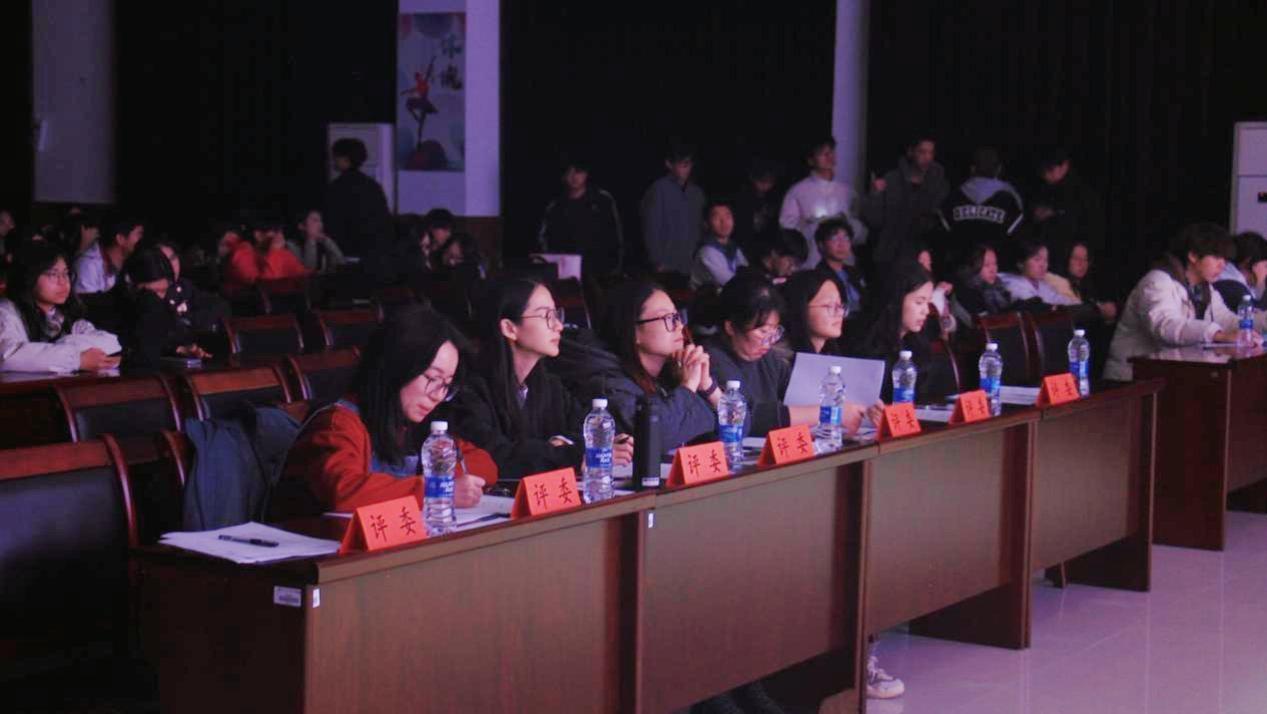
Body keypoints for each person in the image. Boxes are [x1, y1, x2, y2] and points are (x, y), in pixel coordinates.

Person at [274, 306, 494, 518]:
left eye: (446, 384)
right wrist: (437, 489)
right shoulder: (338, 423)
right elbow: (343, 492)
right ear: (396, 367)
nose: (437, 395)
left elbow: (484, 464)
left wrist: (448, 481)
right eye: (433, 379)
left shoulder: (413, 424)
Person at [451, 278, 634, 483]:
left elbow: (591, 428)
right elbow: (496, 457)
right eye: (546, 316)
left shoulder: (548, 385)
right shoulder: (471, 390)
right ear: (509, 328)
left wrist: (560, 444)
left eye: (556, 315)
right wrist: (567, 454)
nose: (559, 326)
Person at [554, 282, 717, 454]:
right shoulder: (607, 382)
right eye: (666, 318)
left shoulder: (669, 373)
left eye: (677, 317)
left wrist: (707, 386)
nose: (679, 326)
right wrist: (688, 387)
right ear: (634, 332)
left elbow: (724, 433)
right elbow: (655, 438)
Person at [705, 275, 874, 438]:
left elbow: (801, 394)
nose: (769, 341)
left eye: (775, 331)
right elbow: (747, 417)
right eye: (762, 331)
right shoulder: (712, 360)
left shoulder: (768, 358)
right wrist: (828, 412)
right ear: (730, 327)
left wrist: (860, 405)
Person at [1106, 223, 1265, 381]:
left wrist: (1257, 325)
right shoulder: (1157, 281)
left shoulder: (1206, 288)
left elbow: (1227, 320)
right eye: (1216, 257)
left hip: (1163, 376)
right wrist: (1217, 334)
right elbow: (1166, 326)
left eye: (1225, 259)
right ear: (1193, 255)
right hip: (1129, 378)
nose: (1222, 265)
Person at [0, 241, 120, 373]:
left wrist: (62, 347)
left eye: (65, 273)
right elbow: (8, 356)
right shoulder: (5, 313)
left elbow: (111, 343)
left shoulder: (62, 316)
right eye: (53, 274)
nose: (63, 282)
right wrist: (77, 359)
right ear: (29, 277)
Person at [849, 261, 955, 404]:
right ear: (895, 301)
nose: (926, 311)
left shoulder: (917, 342)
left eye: (928, 302)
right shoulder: (864, 345)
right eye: (919, 302)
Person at [860, 133, 950, 273]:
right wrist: (874, 195)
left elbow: (941, 222)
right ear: (910, 152)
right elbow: (875, 220)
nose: (927, 157)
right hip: (891, 256)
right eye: (922, 152)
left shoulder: (939, 185)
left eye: (931, 153)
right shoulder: (892, 180)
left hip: (927, 255)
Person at [110, 247, 211, 371]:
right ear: (131, 285)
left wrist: (179, 349)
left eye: (162, 291)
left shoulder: (164, 310)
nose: (156, 299)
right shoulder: (111, 311)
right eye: (151, 293)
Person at [780, 136, 867, 268]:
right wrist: (814, 225)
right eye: (822, 153)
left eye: (831, 152)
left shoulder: (848, 191)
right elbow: (787, 228)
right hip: (812, 263)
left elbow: (860, 228)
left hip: (844, 264)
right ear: (811, 160)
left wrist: (845, 223)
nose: (829, 157)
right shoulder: (798, 191)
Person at [537, 155, 624, 279]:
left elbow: (615, 236)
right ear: (563, 176)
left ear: (586, 173)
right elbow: (545, 240)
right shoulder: (555, 207)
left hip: (600, 272)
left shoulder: (602, 200)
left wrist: (615, 268)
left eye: (578, 171)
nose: (573, 176)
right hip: (566, 273)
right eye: (569, 172)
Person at [937, 147, 1024, 267]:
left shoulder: (954, 196)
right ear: (999, 169)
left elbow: (943, 233)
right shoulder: (1009, 198)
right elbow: (1016, 234)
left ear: (972, 169)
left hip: (960, 266)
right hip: (998, 266)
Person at [325, 137, 394, 278]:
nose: (333, 161)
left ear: (345, 159)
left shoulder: (336, 188)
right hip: (375, 254)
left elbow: (333, 223)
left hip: (346, 254)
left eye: (335, 157)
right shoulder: (373, 186)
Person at [640, 140, 707, 275]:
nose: (687, 168)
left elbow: (700, 227)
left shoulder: (697, 192)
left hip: (691, 264)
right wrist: (657, 261)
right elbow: (651, 228)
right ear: (669, 164)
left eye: (689, 164)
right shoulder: (658, 190)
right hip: (667, 265)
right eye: (683, 164)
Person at [1030, 147, 1105, 261]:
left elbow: (1088, 224)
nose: (1046, 175)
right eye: (1043, 171)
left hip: (1071, 252)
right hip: (1048, 252)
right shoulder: (1044, 188)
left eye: (1050, 170)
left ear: (1064, 166)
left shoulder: (1081, 192)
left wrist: (1053, 212)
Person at [153, 239, 228, 332]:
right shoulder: (152, 296)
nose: (171, 265)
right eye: (164, 262)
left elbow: (219, 304)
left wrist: (191, 320)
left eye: (173, 258)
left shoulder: (184, 285)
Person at [221, 217, 310, 296]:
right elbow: (262, 288)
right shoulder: (242, 254)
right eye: (275, 232)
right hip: (247, 307)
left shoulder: (281, 253)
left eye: (281, 232)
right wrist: (274, 253)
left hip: (281, 305)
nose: (280, 236)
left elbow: (305, 277)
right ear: (258, 235)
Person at [779, 269, 849, 356]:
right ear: (801, 308)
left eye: (840, 305)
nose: (840, 313)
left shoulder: (829, 354)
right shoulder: (779, 359)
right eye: (830, 306)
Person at [998, 238, 1083, 308]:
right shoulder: (1012, 284)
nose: (1043, 265)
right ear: (1021, 263)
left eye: (1045, 260)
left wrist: (1079, 305)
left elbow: (1059, 299)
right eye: (1037, 259)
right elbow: (1036, 307)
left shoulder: (1042, 285)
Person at [690, 197, 749, 289]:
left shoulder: (733, 247)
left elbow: (747, 273)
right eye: (717, 217)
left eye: (728, 216)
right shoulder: (707, 251)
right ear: (706, 223)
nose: (724, 222)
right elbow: (729, 282)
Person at [812, 218, 867, 315]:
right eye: (834, 239)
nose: (842, 244)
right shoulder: (817, 277)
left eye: (846, 239)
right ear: (821, 245)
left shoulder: (854, 272)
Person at [74, 220, 144, 294]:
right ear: (120, 239)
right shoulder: (88, 266)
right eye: (139, 234)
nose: (142, 238)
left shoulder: (133, 263)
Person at [732, 158, 781, 253]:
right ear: (753, 179)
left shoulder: (773, 198)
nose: (766, 185)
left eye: (770, 182)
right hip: (744, 244)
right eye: (762, 181)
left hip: (764, 244)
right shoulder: (743, 197)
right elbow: (741, 227)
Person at [1213, 231, 1267, 310]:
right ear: (1248, 261)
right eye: (1265, 266)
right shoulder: (1230, 287)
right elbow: (1254, 313)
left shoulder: (1234, 282)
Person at [914, 245, 958, 338]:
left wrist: (942, 299)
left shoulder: (936, 292)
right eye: (921, 262)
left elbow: (950, 327)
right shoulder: (907, 295)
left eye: (929, 263)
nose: (926, 267)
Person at [736, 229, 805, 285]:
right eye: (790, 261)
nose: (791, 269)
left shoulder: (782, 282)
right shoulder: (745, 268)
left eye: (796, 265)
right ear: (775, 252)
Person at [289, 209, 346, 274]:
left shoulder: (324, 243)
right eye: (315, 221)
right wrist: (311, 240)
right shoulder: (292, 245)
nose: (320, 224)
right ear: (301, 226)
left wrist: (327, 241)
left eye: (321, 221)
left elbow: (341, 263)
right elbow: (308, 270)